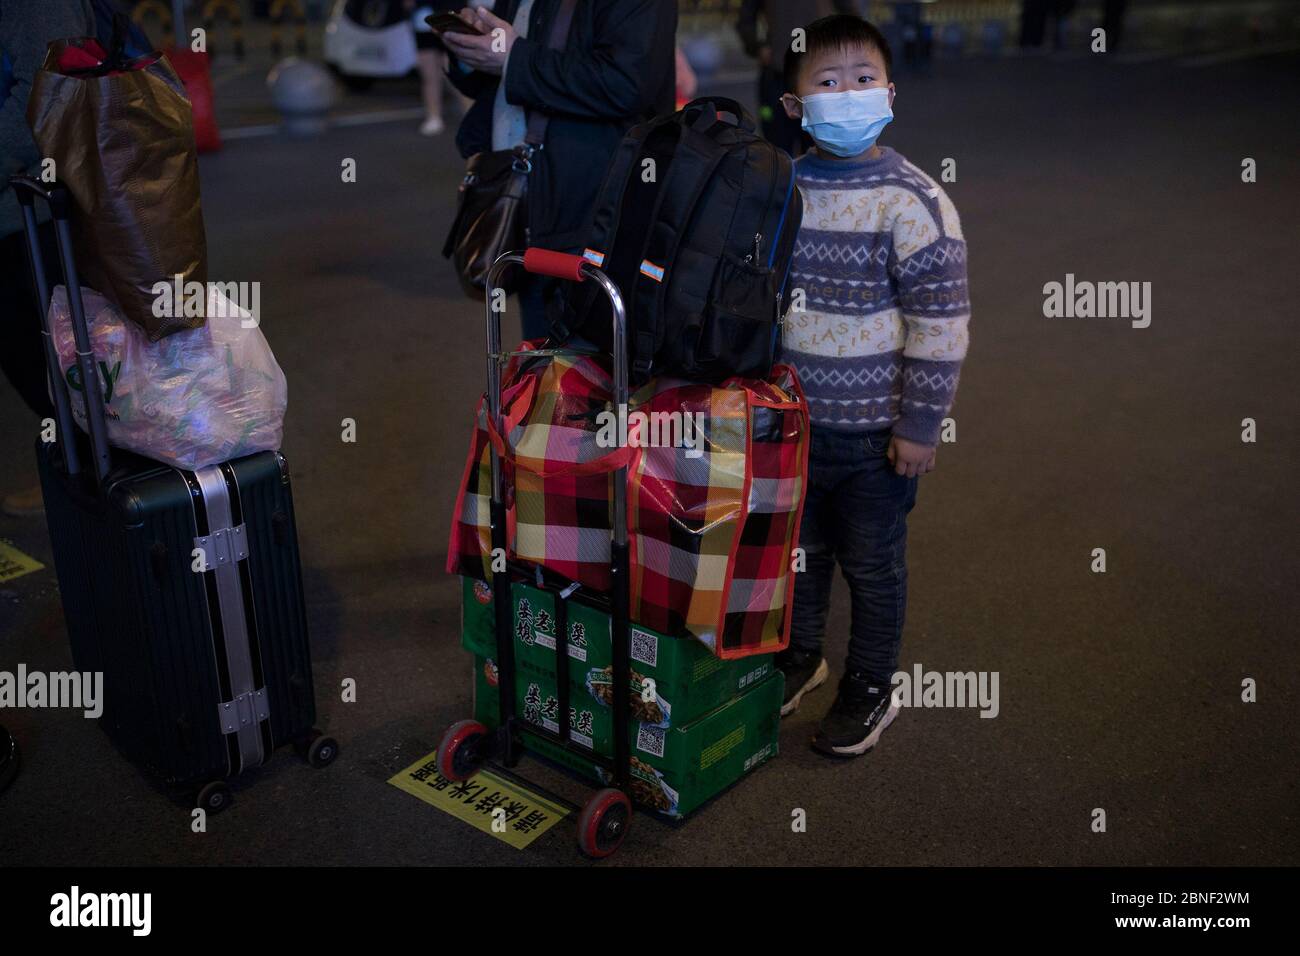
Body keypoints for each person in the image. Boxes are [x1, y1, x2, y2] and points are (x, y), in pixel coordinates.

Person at [775, 14, 971, 757]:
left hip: (873, 440)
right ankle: (801, 657)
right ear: (796, 106)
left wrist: (920, 427)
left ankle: (870, 687)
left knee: (872, 565)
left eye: (863, 80)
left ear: (889, 93)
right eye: (828, 83)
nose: (847, 94)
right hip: (793, 426)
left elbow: (941, 327)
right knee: (801, 554)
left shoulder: (913, 200)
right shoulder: (784, 187)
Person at [440, 1, 677, 341]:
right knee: (544, 366)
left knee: (590, 368)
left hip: (592, 215)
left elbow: (625, 84)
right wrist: (470, 48)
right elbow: (499, 77)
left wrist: (513, 57)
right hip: (528, 204)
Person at [0, 0, 97, 518]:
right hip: (21, 219)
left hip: (34, 222)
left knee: (65, 386)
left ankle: (108, 511)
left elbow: (46, 89)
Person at [736, 0, 857, 158]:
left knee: (822, 146)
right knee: (777, 149)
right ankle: (783, 181)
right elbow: (745, 19)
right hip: (777, 75)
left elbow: (852, 16)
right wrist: (758, 48)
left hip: (820, 76)